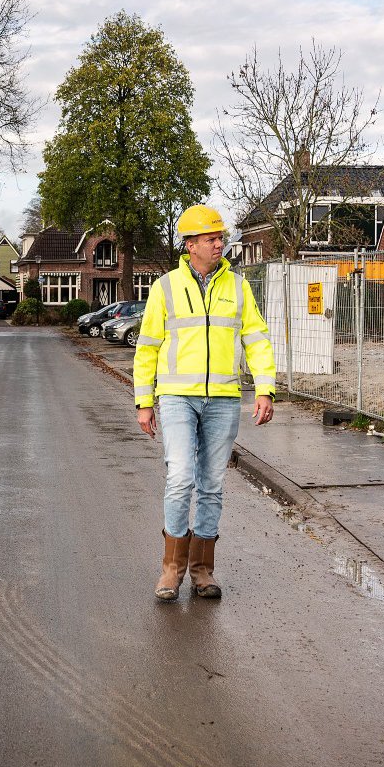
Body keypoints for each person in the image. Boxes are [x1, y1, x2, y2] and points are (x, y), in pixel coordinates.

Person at [133, 205, 276, 602]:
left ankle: (202, 571)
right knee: (180, 477)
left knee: (211, 485)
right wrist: (145, 401)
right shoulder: (164, 288)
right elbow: (147, 350)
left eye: (220, 237)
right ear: (190, 244)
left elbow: (257, 339)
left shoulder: (238, 286)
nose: (220, 244)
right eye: (211, 239)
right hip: (177, 397)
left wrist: (264, 388)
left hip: (224, 400)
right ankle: (171, 569)